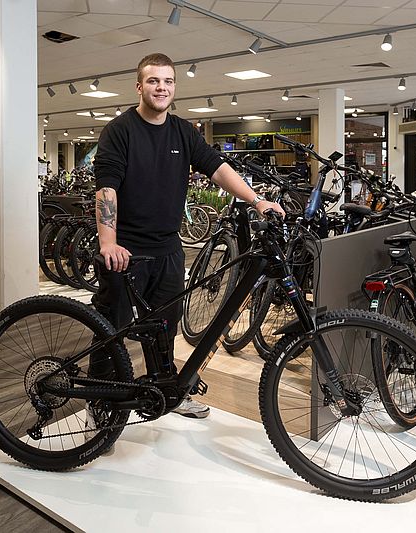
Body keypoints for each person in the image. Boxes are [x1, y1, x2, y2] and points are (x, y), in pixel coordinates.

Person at [91, 53, 284, 420]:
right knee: (110, 331)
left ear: (174, 86)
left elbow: (218, 168)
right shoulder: (119, 130)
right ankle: (100, 403)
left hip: (168, 249)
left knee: (165, 326)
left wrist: (257, 201)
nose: (161, 87)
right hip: (125, 250)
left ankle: (166, 391)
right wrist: (108, 242)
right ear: (139, 86)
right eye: (153, 81)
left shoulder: (183, 131)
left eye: (167, 81)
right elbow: (106, 190)